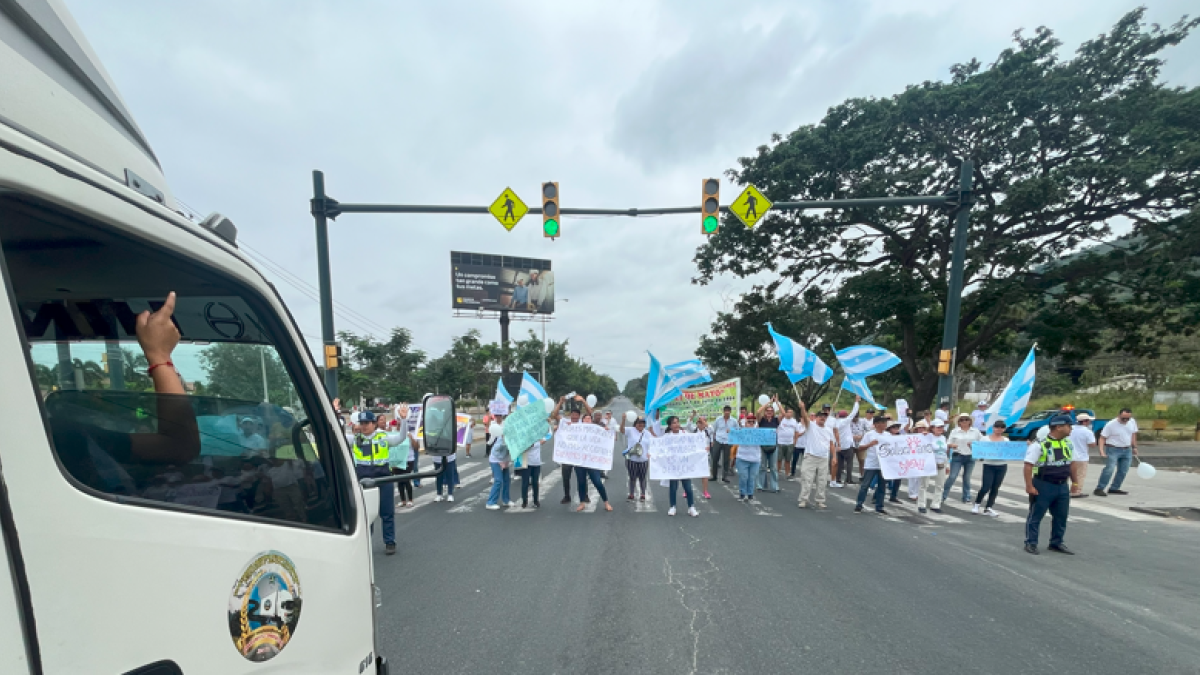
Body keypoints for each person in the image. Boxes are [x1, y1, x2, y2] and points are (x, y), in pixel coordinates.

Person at [348, 410, 404, 555]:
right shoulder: (355, 439)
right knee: (367, 516)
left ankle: (390, 542)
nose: (364, 426)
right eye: (362, 423)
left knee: (387, 513)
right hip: (365, 482)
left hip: (384, 479)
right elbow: (336, 436)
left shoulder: (383, 437)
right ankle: (366, 543)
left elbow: (401, 438)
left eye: (367, 423)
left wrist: (404, 420)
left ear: (374, 424)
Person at [1024, 415, 1078, 555]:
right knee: (1036, 515)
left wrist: (1075, 482)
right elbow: (1028, 465)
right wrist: (1029, 486)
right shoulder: (1039, 444)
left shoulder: (1068, 443)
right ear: (1058, 427)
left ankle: (1056, 542)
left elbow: (1072, 463)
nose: (1071, 429)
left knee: (1061, 516)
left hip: (1062, 485)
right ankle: (1031, 542)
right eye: (1069, 426)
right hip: (1043, 484)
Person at [552, 394, 593, 504]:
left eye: (576, 415)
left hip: (579, 455)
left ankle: (585, 495)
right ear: (570, 415)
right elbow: (554, 415)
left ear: (579, 416)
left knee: (582, 477)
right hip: (567, 455)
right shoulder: (565, 422)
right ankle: (567, 496)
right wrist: (560, 402)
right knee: (566, 477)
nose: (574, 417)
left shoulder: (582, 424)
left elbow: (590, 413)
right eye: (573, 415)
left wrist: (583, 401)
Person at [796, 402, 835, 509]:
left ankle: (820, 500)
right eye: (820, 416)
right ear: (816, 418)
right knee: (807, 479)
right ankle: (804, 499)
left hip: (823, 458)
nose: (823, 418)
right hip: (810, 457)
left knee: (822, 481)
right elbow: (805, 417)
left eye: (824, 416)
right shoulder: (811, 426)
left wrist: (834, 457)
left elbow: (831, 444)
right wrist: (803, 408)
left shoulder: (828, 430)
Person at [1094, 408, 1139, 497]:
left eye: (1127, 418)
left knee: (1123, 470)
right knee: (1109, 469)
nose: (1125, 420)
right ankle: (1100, 488)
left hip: (1127, 449)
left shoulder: (1132, 422)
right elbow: (1102, 438)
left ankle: (1114, 487)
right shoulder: (1111, 424)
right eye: (1123, 418)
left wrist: (1134, 447)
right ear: (1118, 415)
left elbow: (1133, 434)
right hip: (1113, 449)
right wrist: (1102, 451)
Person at [661, 416, 700, 517]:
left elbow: (695, 442)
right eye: (674, 423)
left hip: (684, 466)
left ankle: (691, 507)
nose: (676, 424)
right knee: (673, 487)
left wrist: (703, 448)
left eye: (677, 422)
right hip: (673, 466)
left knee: (688, 487)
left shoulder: (685, 434)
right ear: (670, 425)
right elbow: (660, 449)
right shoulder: (666, 437)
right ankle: (672, 506)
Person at [573, 414, 612, 512]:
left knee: (597, 482)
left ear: (591, 420)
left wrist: (607, 431)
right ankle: (582, 503)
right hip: (580, 461)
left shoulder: (596, 429)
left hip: (592, 461)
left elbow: (605, 437)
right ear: (582, 420)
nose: (587, 420)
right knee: (581, 482)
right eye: (585, 418)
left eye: (589, 418)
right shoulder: (577, 429)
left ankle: (606, 502)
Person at [973, 420, 1011, 516]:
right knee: (986, 486)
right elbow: (979, 450)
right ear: (993, 428)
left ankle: (989, 507)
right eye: (997, 427)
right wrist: (973, 448)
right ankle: (977, 504)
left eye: (1001, 427)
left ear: (1004, 429)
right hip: (989, 464)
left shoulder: (1006, 440)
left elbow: (1010, 451)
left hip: (1002, 465)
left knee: (995, 487)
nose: (999, 429)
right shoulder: (985, 439)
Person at [854, 415, 891, 514]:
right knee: (865, 485)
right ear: (876, 424)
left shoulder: (888, 435)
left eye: (885, 423)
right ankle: (859, 504)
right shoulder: (869, 435)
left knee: (882, 486)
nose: (884, 425)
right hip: (871, 464)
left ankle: (879, 506)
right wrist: (870, 444)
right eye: (882, 422)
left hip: (883, 464)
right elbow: (860, 447)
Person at [943, 413, 982, 504]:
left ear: (970, 421)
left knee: (967, 477)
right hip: (958, 455)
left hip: (970, 456)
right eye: (962, 420)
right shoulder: (955, 431)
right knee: (952, 476)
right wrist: (952, 445)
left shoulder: (975, 431)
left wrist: (975, 446)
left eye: (966, 419)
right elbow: (948, 443)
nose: (964, 421)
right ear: (959, 422)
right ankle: (943, 495)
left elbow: (982, 441)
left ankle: (966, 497)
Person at [918, 419, 950, 514]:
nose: (940, 429)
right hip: (929, 463)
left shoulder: (943, 438)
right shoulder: (927, 436)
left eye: (941, 427)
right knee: (924, 484)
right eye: (938, 427)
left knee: (940, 485)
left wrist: (947, 465)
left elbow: (945, 452)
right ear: (932, 428)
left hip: (941, 463)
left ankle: (936, 505)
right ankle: (921, 504)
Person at [832, 399, 861, 487]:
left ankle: (838, 479)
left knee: (839, 464)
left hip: (838, 445)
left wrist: (833, 408)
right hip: (847, 445)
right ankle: (848, 479)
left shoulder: (835, 422)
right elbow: (854, 412)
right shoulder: (846, 421)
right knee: (849, 463)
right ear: (846, 416)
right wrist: (856, 401)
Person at [621, 414, 651, 501]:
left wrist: (650, 453)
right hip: (632, 459)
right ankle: (631, 493)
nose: (641, 424)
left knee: (642, 477)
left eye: (642, 423)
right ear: (635, 423)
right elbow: (621, 430)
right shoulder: (631, 430)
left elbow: (652, 444)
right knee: (632, 477)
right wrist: (623, 420)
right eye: (639, 423)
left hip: (643, 460)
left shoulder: (647, 433)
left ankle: (643, 494)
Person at [757, 397, 782, 494]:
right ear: (765, 412)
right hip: (762, 446)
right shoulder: (762, 420)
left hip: (773, 446)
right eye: (768, 411)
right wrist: (768, 403)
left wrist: (777, 403)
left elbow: (783, 414)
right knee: (762, 467)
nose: (769, 412)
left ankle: (774, 486)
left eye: (771, 411)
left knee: (773, 467)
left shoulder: (776, 420)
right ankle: (760, 485)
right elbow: (758, 412)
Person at [485, 424, 514, 510]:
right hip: (496, 460)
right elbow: (495, 451)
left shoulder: (511, 438)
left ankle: (506, 500)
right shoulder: (501, 440)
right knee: (498, 480)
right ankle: (490, 502)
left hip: (504, 460)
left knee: (507, 480)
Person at [734, 416, 762, 502]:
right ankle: (742, 493)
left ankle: (750, 494)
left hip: (755, 459)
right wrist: (730, 432)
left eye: (753, 422)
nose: (751, 423)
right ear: (745, 424)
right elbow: (732, 436)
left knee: (752, 477)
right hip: (742, 457)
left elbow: (766, 439)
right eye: (749, 422)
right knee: (743, 476)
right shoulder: (740, 432)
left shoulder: (759, 433)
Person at [1070, 413, 1097, 498]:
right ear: (1085, 422)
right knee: (1079, 475)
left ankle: (1064, 490)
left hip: (1068, 456)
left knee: (1066, 474)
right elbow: (1092, 444)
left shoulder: (1070, 429)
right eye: (1089, 421)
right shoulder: (1087, 431)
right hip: (1081, 457)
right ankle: (1076, 491)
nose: (1089, 423)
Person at [710, 405, 738, 483]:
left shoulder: (734, 421)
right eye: (726, 411)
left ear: (730, 412)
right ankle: (714, 476)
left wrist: (732, 431)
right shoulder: (718, 419)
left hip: (728, 441)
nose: (727, 412)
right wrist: (713, 440)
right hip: (718, 440)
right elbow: (714, 430)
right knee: (715, 458)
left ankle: (724, 477)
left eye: (728, 411)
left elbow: (737, 430)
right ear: (723, 411)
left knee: (726, 460)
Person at [517, 437, 543, 508]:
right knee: (525, 482)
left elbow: (544, 439)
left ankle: (536, 500)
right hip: (526, 463)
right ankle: (524, 501)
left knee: (535, 482)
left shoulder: (538, 437)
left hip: (536, 463)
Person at [774, 406, 799, 482]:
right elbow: (782, 413)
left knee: (788, 460)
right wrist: (778, 403)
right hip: (781, 442)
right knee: (779, 459)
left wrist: (795, 442)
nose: (790, 414)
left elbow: (796, 432)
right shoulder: (781, 419)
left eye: (791, 412)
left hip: (790, 443)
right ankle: (777, 473)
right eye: (788, 412)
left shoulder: (794, 421)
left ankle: (787, 474)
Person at [693, 416, 715, 500]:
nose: (701, 424)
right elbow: (688, 425)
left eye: (702, 422)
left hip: (705, 456)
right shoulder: (694, 430)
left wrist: (703, 421)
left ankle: (705, 491)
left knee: (705, 474)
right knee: (690, 473)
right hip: (695, 456)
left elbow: (712, 429)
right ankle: (686, 490)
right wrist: (693, 416)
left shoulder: (708, 430)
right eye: (699, 422)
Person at [851, 408, 874, 482]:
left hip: (861, 443)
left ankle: (863, 476)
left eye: (856, 417)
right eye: (854, 417)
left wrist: (862, 436)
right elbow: (845, 431)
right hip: (851, 444)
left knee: (862, 460)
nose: (855, 419)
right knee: (850, 461)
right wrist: (852, 436)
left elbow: (868, 430)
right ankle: (849, 477)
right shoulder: (848, 421)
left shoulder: (863, 421)